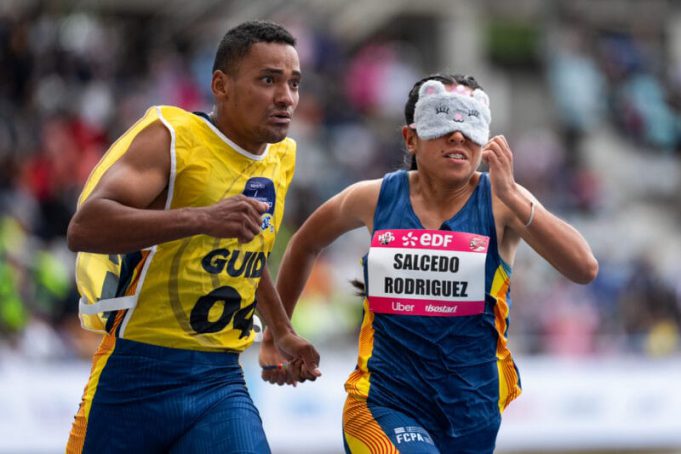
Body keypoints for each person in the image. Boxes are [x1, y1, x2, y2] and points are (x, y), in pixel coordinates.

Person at [259, 74, 599, 453]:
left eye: (470, 123)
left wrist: (513, 195)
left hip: (472, 413)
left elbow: (584, 268)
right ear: (411, 138)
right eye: (443, 119)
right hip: (382, 404)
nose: (458, 135)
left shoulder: (502, 202)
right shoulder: (374, 198)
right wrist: (276, 334)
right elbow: (304, 243)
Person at [65, 20, 320, 454]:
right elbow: (84, 228)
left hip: (219, 379)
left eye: (294, 83)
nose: (286, 97)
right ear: (221, 85)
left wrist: (280, 330)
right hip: (134, 373)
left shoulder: (282, 156)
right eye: (268, 80)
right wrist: (200, 218)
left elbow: (247, 254)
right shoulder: (172, 137)